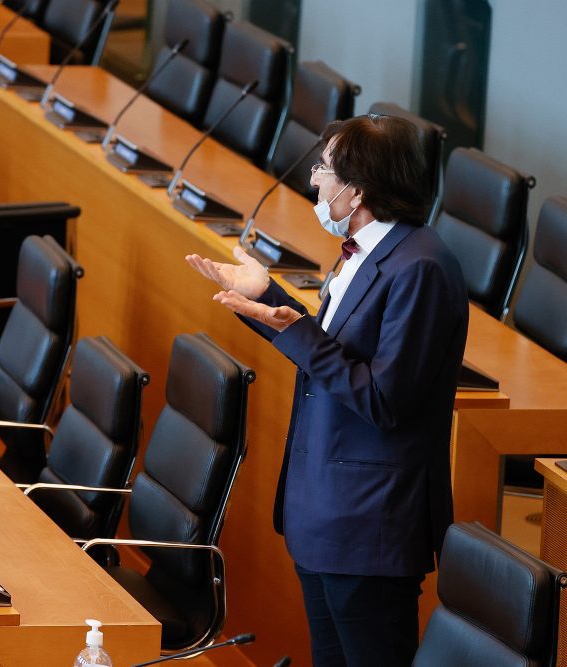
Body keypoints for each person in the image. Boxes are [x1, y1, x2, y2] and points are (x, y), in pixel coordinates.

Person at [186, 115, 468, 666]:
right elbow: (333, 357)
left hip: (371, 528)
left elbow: (384, 399)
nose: (315, 179)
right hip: (325, 514)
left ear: (357, 189)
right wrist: (266, 298)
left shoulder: (421, 268)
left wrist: (292, 328)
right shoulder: (365, 253)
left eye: (324, 168)